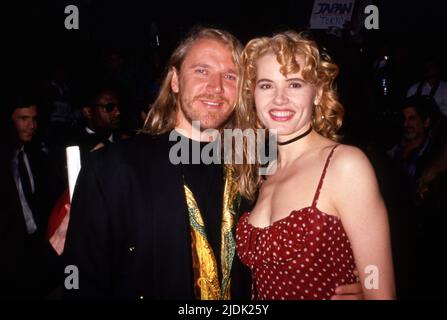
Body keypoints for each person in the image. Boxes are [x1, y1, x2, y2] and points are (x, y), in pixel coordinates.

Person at [63, 27, 363, 300]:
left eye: (230, 76)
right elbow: (82, 285)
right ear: (176, 80)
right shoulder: (114, 168)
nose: (216, 86)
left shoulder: (258, 166)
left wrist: (354, 283)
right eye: (202, 70)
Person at [234, 31, 395, 299]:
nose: (279, 98)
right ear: (253, 95)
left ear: (318, 93)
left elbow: (381, 292)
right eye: (266, 85)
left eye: (295, 84)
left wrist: (368, 292)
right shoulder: (264, 175)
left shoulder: (345, 165)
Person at [0, 91, 63, 298]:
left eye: (34, 119)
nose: (31, 125)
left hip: (37, 243)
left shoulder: (33, 154)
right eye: (24, 119)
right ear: (9, 120)